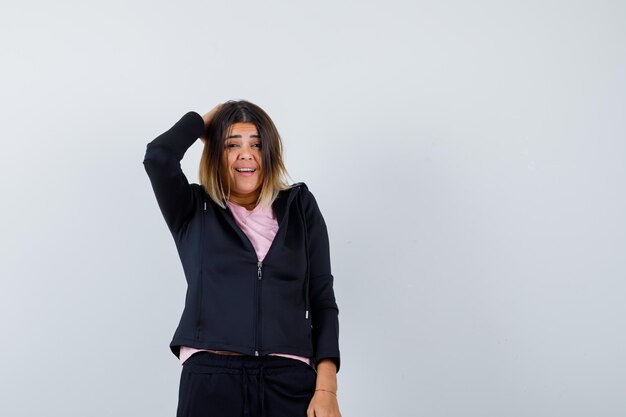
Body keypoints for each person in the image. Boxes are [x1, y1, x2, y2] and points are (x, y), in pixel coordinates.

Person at [142, 100, 342, 417]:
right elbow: (158, 156)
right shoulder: (193, 209)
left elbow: (321, 299)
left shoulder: (299, 207)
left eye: (257, 145)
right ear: (215, 154)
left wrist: (326, 388)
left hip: (289, 382)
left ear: (270, 154)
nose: (245, 154)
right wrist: (202, 123)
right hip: (211, 380)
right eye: (231, 145)